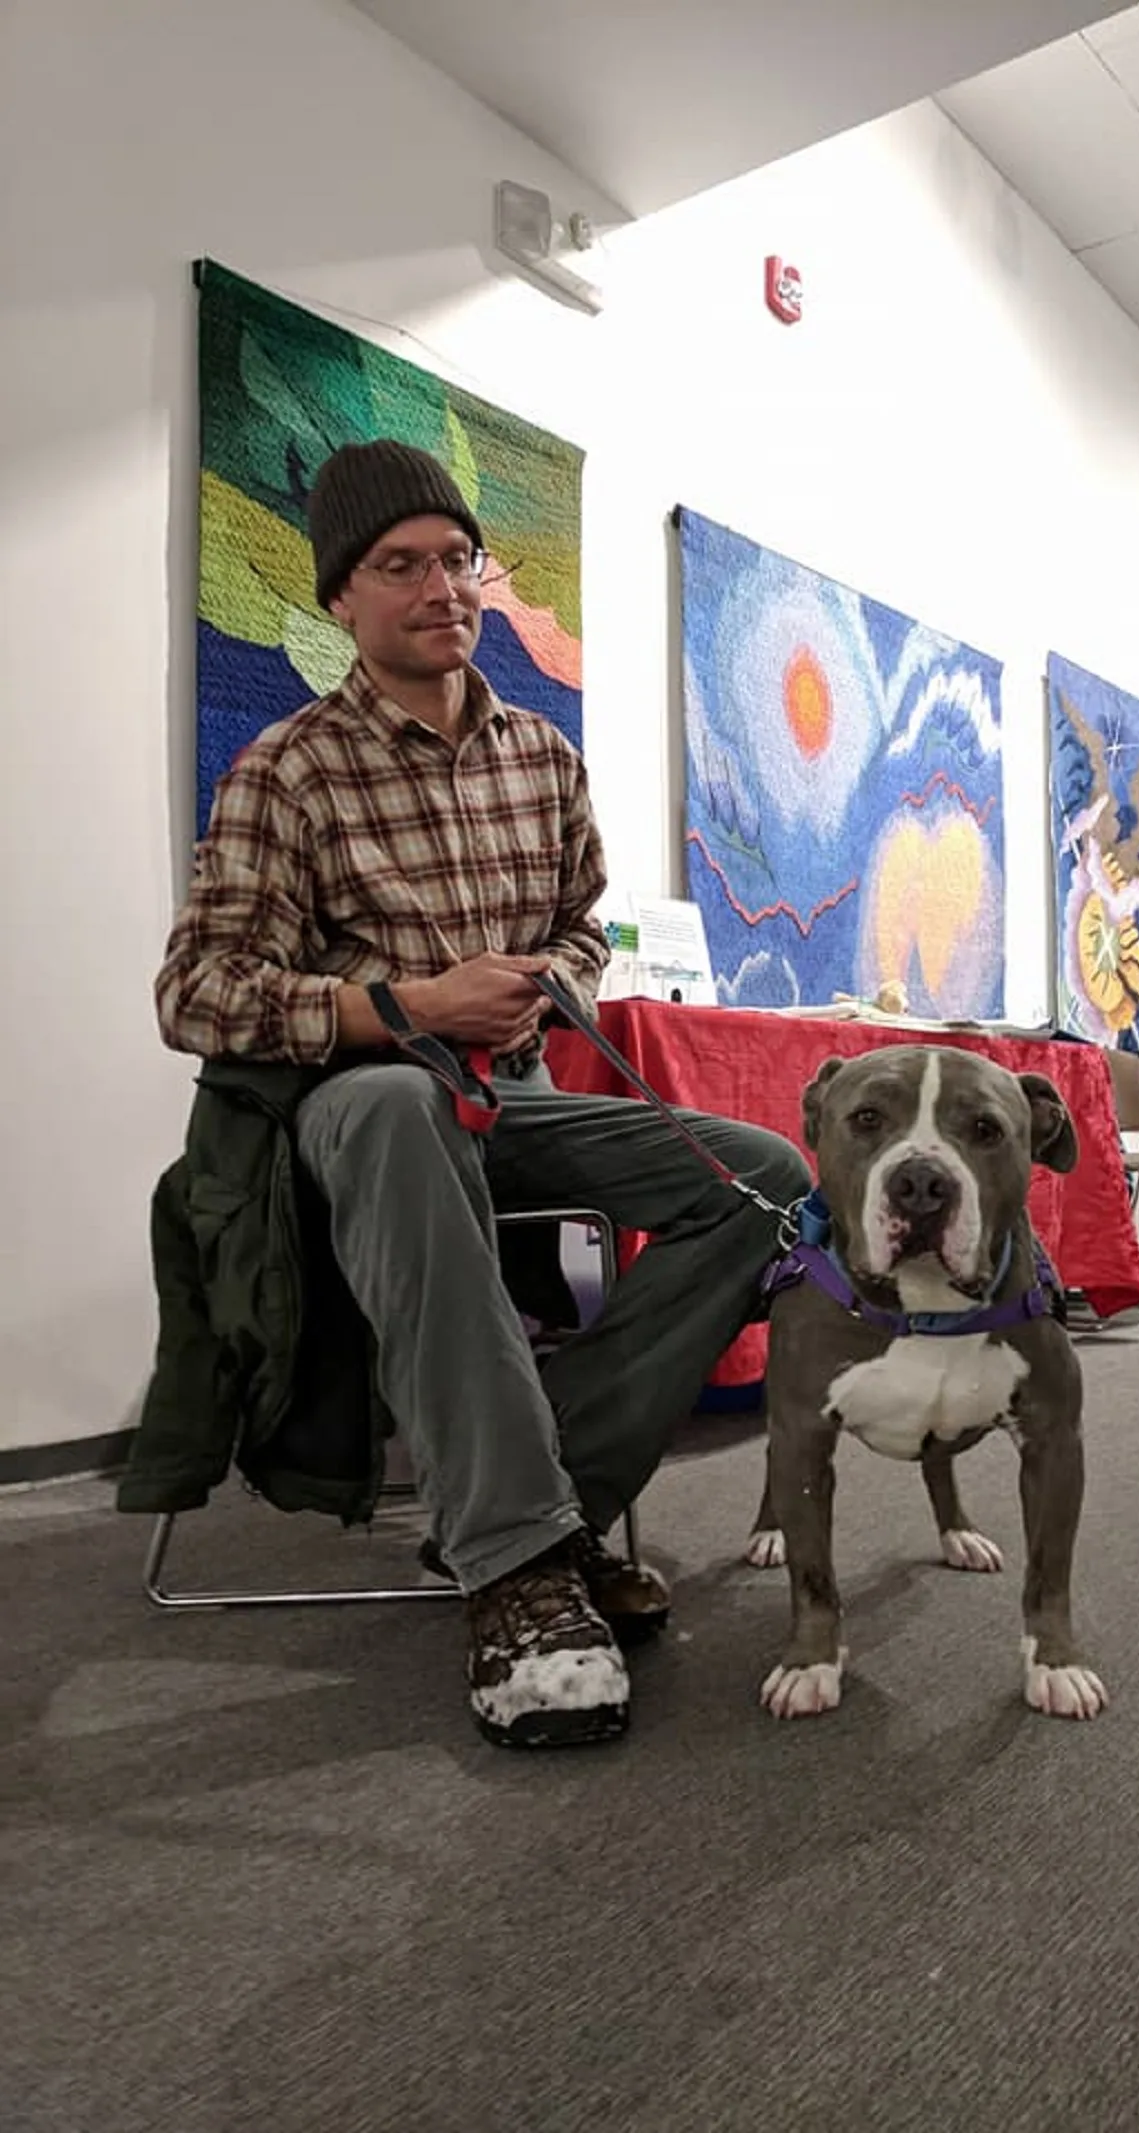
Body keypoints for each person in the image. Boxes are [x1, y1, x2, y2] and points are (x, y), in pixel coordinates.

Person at [155, 439, 811, 1750]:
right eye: (401, 565)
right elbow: (198, 992)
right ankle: (516, 1574)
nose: (443, 587)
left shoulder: (544, 760)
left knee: (769, 1183)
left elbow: (581, 926)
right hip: (347, 1108)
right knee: (399, 1106)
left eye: (457, 559)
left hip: (505, 1099)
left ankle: (538, 1507)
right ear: (344, 596)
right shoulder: (289, 767)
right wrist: (407, 1008)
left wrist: (542, 984)